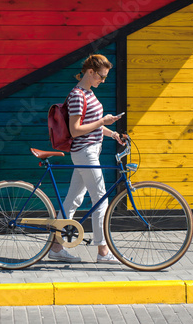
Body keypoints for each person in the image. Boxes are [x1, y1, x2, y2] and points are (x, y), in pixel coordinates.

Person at [48, 54, 126, 263]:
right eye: (101, 76)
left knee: (73, 200)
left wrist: (112, 133)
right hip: (85, 152)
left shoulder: (89, 93)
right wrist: (103, 120)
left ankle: (56, 248)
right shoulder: (77, 95)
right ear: (90, 72)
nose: (103, 80)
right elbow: (75, 130)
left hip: (90, 150)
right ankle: (103, 252)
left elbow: (94, 124)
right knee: (100, 199)